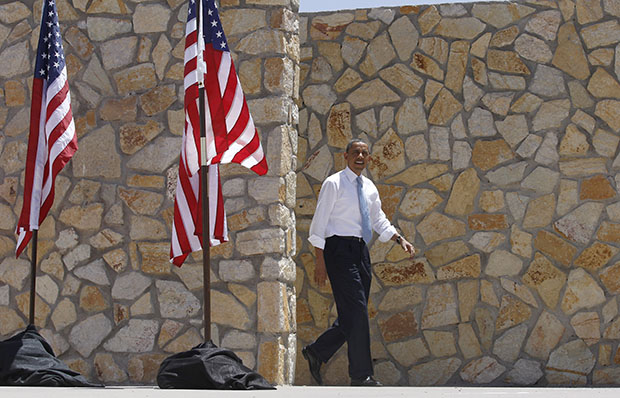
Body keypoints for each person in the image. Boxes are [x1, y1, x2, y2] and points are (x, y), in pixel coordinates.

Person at [302, 138, 415, 387]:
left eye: (364, 153)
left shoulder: (370, 187)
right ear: (346, 156)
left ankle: (317, 351)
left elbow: (379, 219)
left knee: (354, 312)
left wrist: (400, 239)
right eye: (355, 152)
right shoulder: (334, 183)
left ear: (369, 158)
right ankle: (361, 375)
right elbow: (318, 224)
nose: (360, 157)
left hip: (360, 251)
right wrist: (320, 261)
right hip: (338, 250)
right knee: (358, 310)